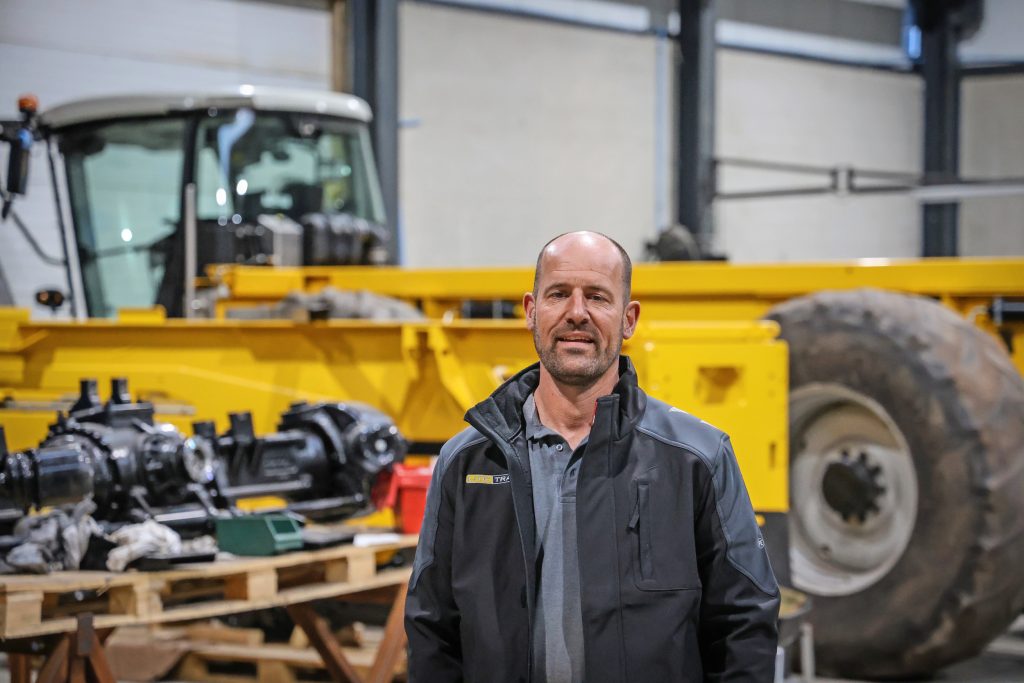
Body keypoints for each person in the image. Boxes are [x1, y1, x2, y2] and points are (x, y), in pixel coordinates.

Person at [405, 231, 780, 682]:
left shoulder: (697, 458)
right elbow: (432, 626)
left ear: (628, 319)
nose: (576, 313)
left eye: (598, 297)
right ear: (530, 311)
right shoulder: (467, 462)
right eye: (559, 294)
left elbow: (744, 623)